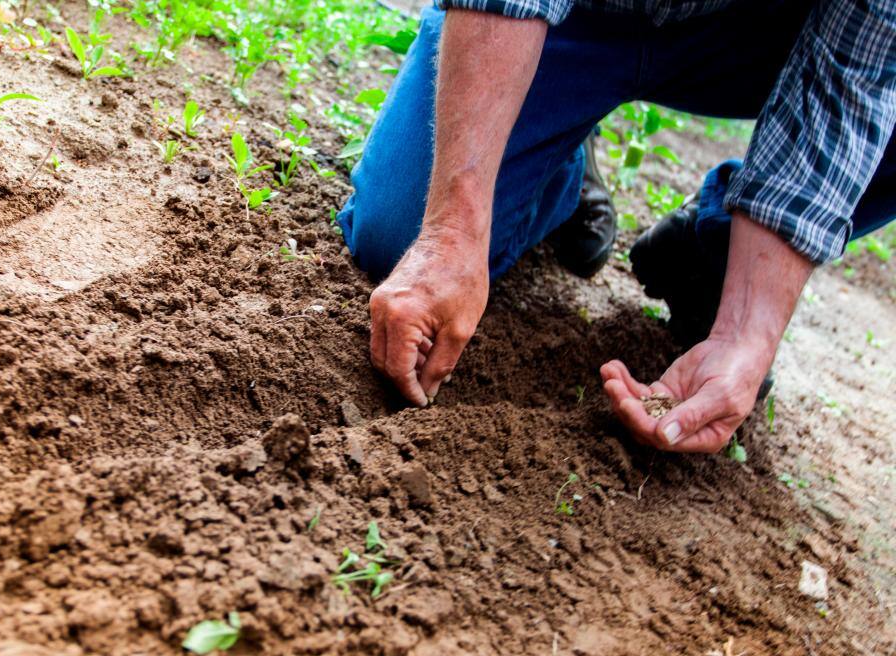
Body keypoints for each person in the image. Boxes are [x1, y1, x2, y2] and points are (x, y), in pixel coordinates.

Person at [338, 0, 896, 453]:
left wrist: (745, 335)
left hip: (756, 36)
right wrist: (452, 233)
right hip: (576, 16)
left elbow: (854, 79)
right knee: (400, 234)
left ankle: (718, 253)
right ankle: (560, 165)